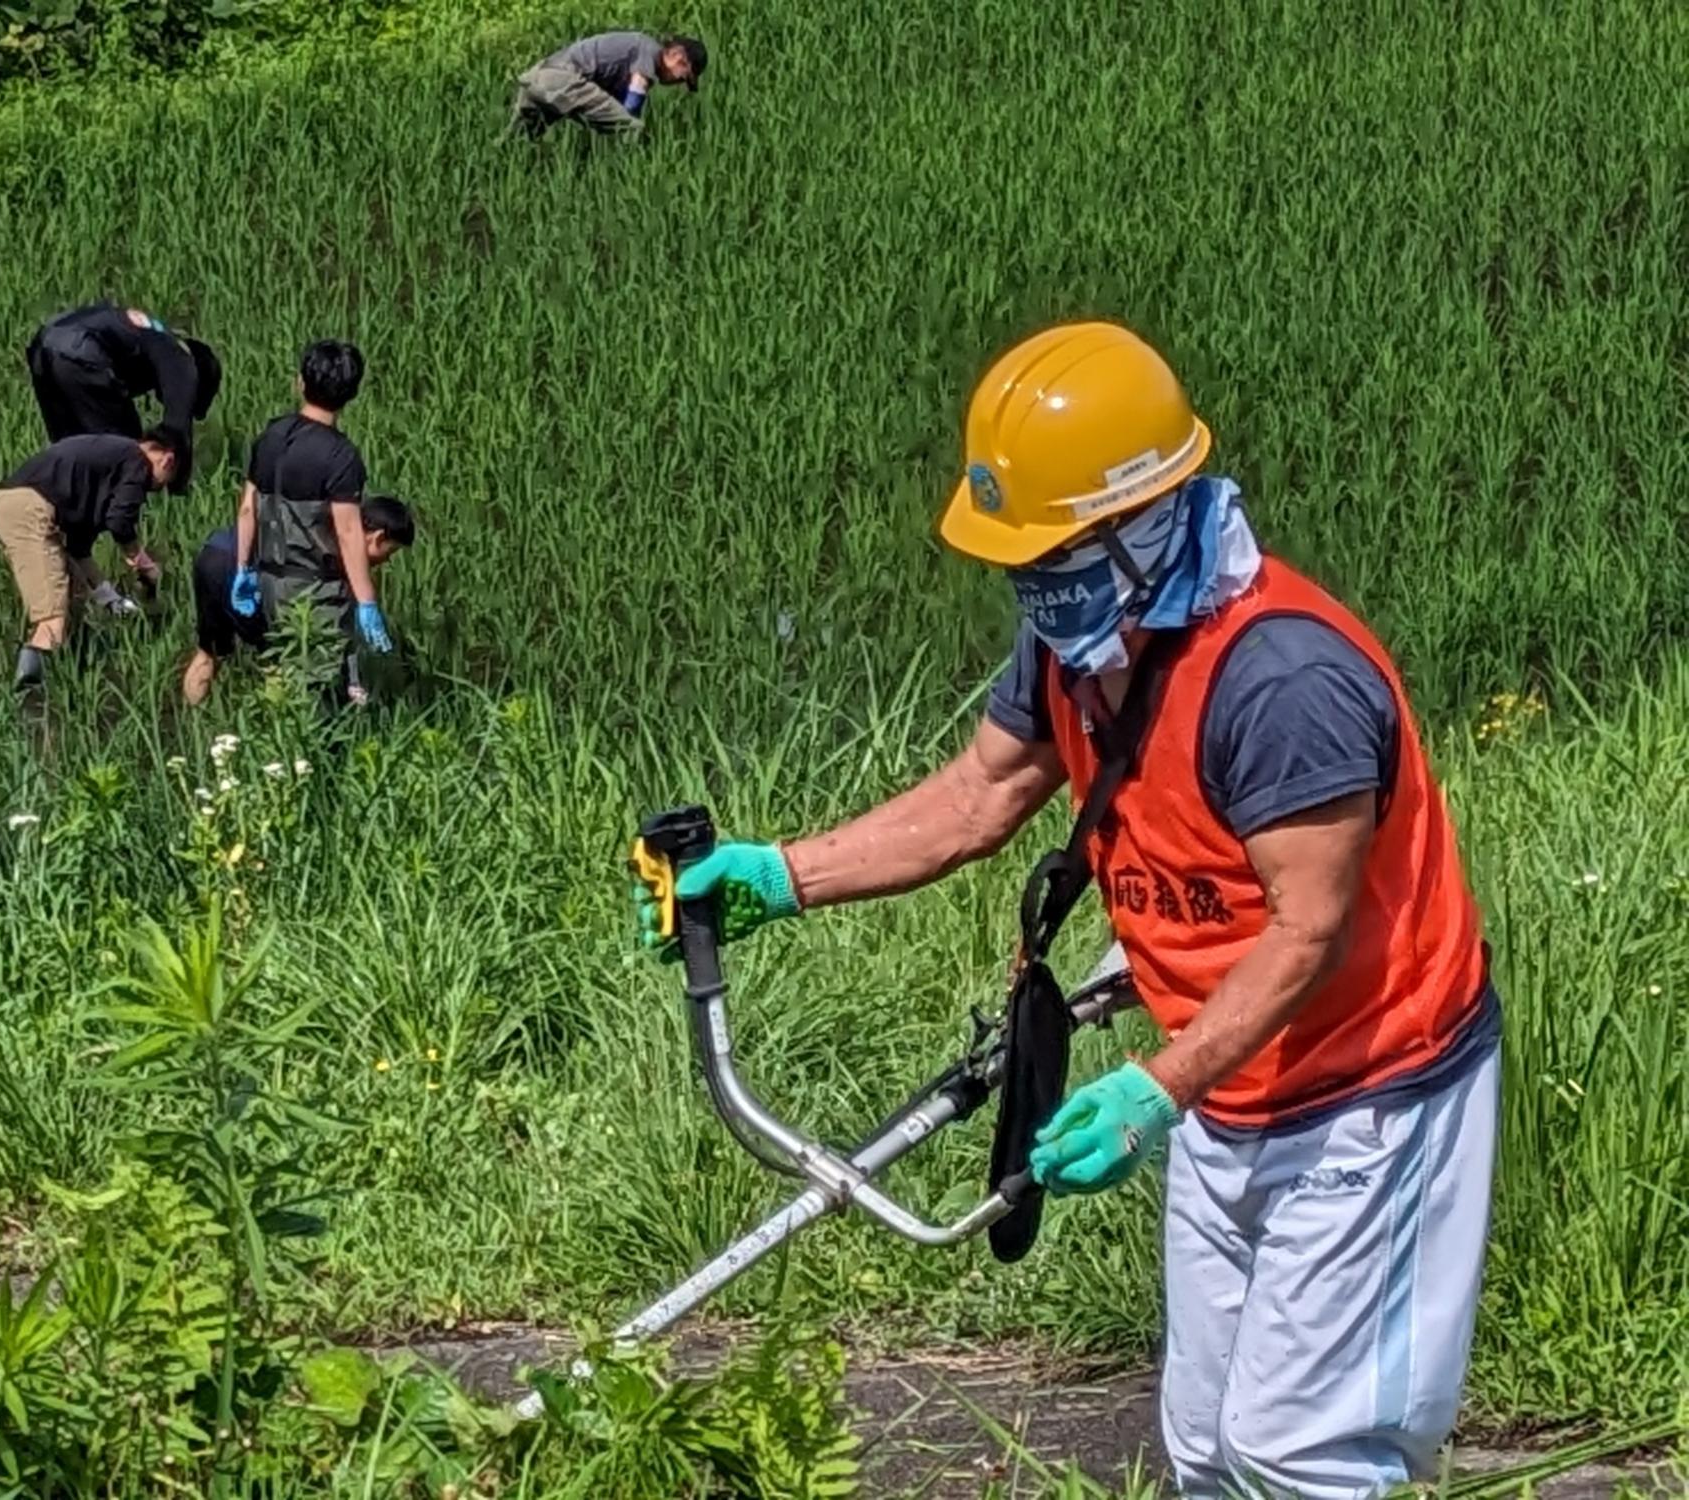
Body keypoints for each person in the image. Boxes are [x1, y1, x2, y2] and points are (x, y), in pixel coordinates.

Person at [633, 322, 1501, 1500]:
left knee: (1302, 1462)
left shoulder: (1280, 683)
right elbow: (980, 792)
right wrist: (781, 874)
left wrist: (1156, 1086)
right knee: (1205, 1451)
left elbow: (1308, 930)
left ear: (1146, 523)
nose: (1033, 587)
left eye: (1054, 557)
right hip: (1224, 1087)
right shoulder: (1076, 644)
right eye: (1022, 564)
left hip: (1368, 1096)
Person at [0, 430, 178, 687]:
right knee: (52, 619)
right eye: (165, 482)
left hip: (14, 508)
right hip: (31, 513)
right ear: (167, 460)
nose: (153, 490)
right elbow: (120, 522)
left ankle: (73, 681)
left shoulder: (104, 466)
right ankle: (30, 706)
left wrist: (110, 599)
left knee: (73, 601)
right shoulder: (136, 460)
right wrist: (141, 561)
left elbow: (79, 552)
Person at [184, 495, 415, 706]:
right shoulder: (343, 551)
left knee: (209, 653)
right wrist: (351, 684)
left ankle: (191, 723)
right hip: (254, 570)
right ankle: (280, 739)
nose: (385, 561)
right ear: (377, 537)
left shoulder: (329, 514)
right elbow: (341, 630)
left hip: (216, 552)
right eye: (389, 552)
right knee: (279, 657)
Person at [24, 303, 221, 492]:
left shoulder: (152, 336)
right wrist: (177, 486)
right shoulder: (183, 361)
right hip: (81, 351)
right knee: (126, 451)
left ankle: (59, 511)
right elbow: (178, 429)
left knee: (68, 454)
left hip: (44, 346)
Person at [512, 31, 706, 139]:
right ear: (677, 57)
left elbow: (612, 102)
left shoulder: (634, 53)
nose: (677, 84)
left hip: (537, 78)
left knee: (518, 141)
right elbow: (635, 93)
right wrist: (632, 127)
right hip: (564, 80)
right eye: (683, 77)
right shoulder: (650, 50)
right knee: (634, 130)